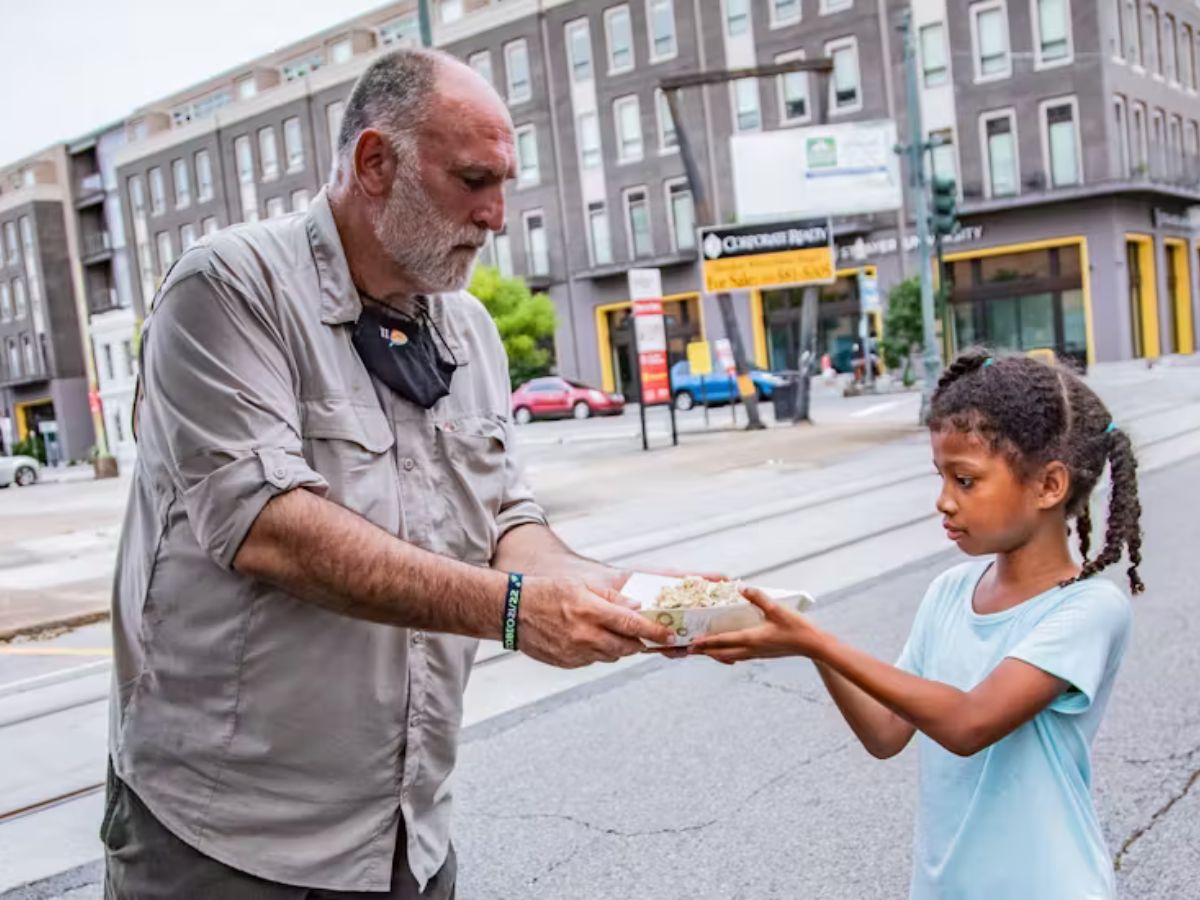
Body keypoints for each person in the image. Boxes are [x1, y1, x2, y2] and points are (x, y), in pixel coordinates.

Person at [104, 47, 672, 899]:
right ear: (375, 163)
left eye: (505, 185)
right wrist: (514, 612)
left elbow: (509, 522)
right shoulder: (228, 288)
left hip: (407, 831)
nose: (497, 216)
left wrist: (622, 594)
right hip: (227, 840)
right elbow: (270, 529)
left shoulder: (469, 329)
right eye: (474, 180)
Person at [692, 349, 1142, 899]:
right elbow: (885, 733)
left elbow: (968, 725)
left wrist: (816, 640)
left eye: (966, 480)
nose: (943, 502)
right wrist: (807, 647)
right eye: (941, 476)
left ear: (1049, 485)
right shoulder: (950, 593)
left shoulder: (1088, 609)